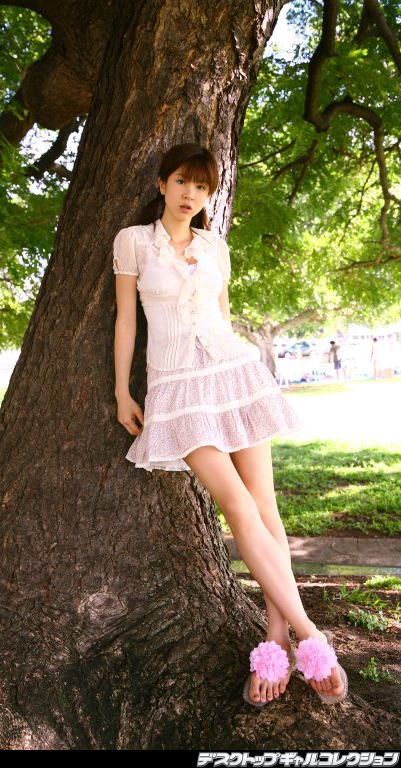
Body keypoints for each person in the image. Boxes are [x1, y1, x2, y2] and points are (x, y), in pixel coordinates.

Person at [112, 143, 348, 707]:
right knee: (238, 506)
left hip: (233, 375)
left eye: (202, 186)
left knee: (266, 508)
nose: (190, 194)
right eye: (181, 182)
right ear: (162, 184)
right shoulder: (134, 242)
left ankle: (276, 638)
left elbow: (221, 317)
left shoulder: (214, 245)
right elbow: (126, 321)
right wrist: (122, 390)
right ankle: (313, 637)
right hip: (176, 388)